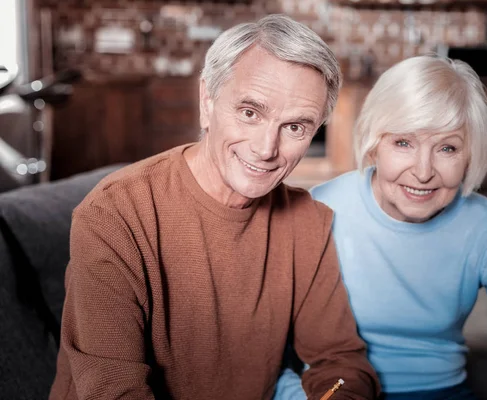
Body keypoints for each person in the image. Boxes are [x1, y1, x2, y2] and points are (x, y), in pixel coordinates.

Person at [49, 15, 380, 400]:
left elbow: (341, 364)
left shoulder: (307, 221)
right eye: (250, 112)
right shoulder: (114, 214)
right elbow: (113, 391)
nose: (266, 149)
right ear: (207, 102)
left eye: (295, 127)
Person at [274, 55, 487, 400]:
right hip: (331, 389)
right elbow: (265, 344)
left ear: (471, 155)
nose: (423, 172)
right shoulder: (320, 210)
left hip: (440, 391)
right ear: (374, 143)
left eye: (447, 148)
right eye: (403, 143)